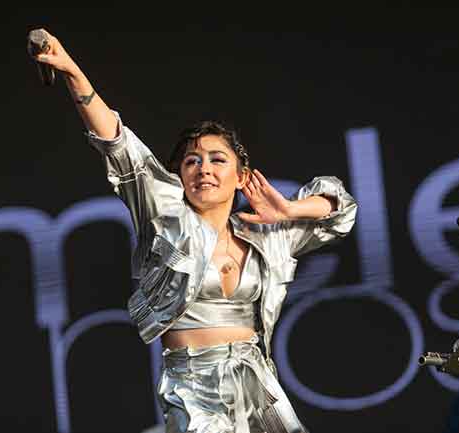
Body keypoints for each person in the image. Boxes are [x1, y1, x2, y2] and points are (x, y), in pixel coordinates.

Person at [30, 28, 358, 433]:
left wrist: (290, 209)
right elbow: (117, 143)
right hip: (192, 388)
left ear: (241, 177)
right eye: (192, 161)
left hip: (257, 384)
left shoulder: (266, 234)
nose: (204, 169)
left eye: (217, 160)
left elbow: (341, 210)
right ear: (180, 176)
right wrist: (72, 72)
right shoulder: (164, 215)